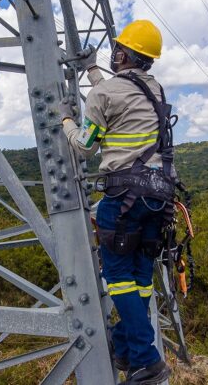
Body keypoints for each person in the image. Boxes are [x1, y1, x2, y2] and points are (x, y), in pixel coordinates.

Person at [59, 20, 175, 385]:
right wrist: (93, 70)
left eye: (117, 49)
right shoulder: (154, 89)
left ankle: (146, 360)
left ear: (122, 54)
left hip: (124, 196)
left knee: (119, 278)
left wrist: (64, 120)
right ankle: (125, 347)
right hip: (160, 196)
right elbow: (116, 93)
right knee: (141, 279)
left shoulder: (102, 95)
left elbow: (85, 145)